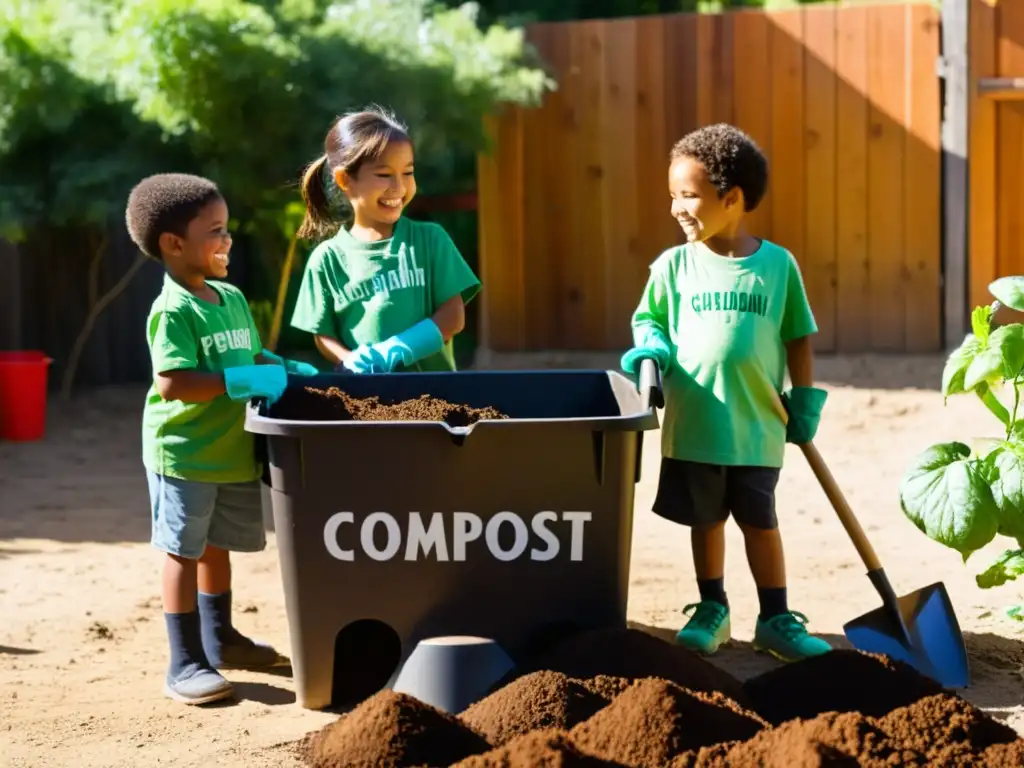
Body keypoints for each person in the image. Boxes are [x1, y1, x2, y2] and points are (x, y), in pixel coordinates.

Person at [620, 124, 832, 662]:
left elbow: (797, 335)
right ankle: (712, 607)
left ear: (731, 198)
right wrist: (648, 351)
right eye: (672, 195)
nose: (675, 208)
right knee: (706, 520)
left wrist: (804, 398)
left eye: (687, 195)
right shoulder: (673, 266)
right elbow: (650, 323)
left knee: (761, 522)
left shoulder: (777, 266)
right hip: (696, 422)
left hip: (758, 423)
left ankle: (775, 616)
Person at [126, 172, 319, 705]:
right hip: (185, 453)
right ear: (174, 244)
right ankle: (184, 659)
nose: (228, 240)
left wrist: (283, 367)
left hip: (231, 449)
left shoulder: (229, 297)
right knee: (183, 551)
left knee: (217, 547)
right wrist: (243, 382)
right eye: (216, 230)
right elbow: (173, 382)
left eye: (227, 228)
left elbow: (250, 356)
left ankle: (222, 638)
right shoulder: (173, 311)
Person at [289, 107, 480, 372]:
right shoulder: (326, 259)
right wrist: (349, 361)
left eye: (408, 172)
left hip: (436, 400)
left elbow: (453, 317)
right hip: (366, 403)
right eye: (384, 175)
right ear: (345, 179)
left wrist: (395, 350)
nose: (399, 187)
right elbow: (323, 336)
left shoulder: (430, 240)